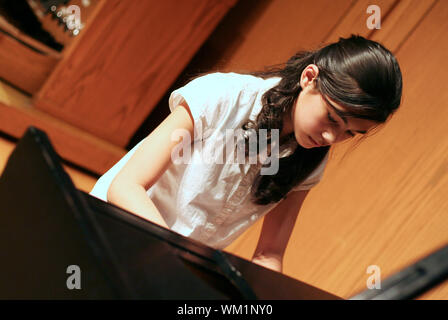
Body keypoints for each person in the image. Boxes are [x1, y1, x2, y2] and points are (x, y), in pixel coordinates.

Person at [90, 34, 403, 273]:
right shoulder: (223, 96)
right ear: (309, 78)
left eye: (349, 133)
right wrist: (175, 256)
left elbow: (269, 254)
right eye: (333, 118)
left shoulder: (310, 159)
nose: (331, 137)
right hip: (108, 232)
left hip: (170, 269)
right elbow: (126, 186)